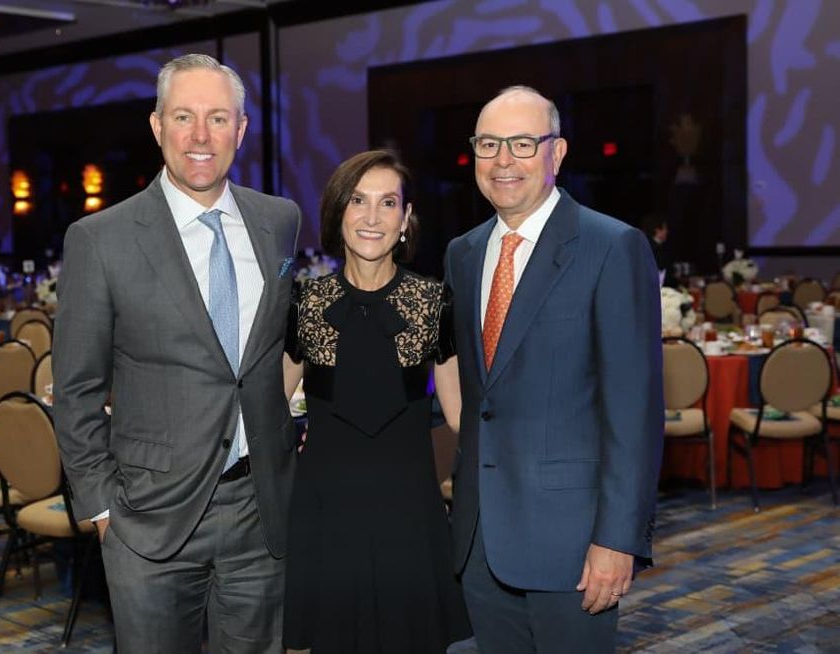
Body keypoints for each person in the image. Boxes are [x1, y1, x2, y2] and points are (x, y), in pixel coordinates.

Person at [53, 54, 302, 653]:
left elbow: (271, 352)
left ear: (241, 130)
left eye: (218, 118)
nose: (200, 136)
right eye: (183, 116)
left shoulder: (279, 221)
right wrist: (103, 509)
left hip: (260, 514)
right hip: (148, 520)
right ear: (157, 125)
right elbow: (77, 389)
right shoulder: (100, 239)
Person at [442, 86, 663, 653]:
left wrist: (618, 539)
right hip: (480, 538)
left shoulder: (612, 247)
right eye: (489, 144)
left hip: (573, 544)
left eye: (522, 143)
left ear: (556, 153)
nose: (503, 160)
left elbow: (634, 412)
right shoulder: (463, 254)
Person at [281, 149, 471, 653]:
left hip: (407, 512)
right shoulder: (305, 303)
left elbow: (460, 416)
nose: (372, 217)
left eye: (388, 203)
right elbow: (270, 405)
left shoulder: (433, 302)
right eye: (358, 201)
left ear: (405, 219)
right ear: (338, 212)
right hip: (325, 511)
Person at [642, 213, 676, 286]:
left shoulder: (643, 245)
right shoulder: (655, 249)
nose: (667, 231)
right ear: (657, 230)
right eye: (665, 228)